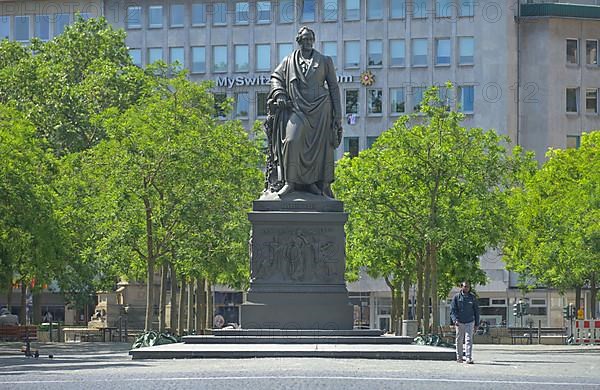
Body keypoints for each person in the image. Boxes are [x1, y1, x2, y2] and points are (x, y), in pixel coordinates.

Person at [264, 26, 343, 198]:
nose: (307, 42)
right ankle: (290, 183)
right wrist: (280, 94)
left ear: (313, 41)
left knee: (318, 149)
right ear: (298, 41)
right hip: (297, 108)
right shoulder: (288, 61)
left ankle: (313, 184)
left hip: (321, 109)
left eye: (310, 39)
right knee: (291, 141)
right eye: (304, 39)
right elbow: (275, 78)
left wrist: (338, 116)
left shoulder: (325, 60)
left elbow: (334, 88)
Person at [450, 281, 480, 364]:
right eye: (465, 286)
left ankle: (468, 357)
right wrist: (455, 319)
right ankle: (459, 357)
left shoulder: (472, 297)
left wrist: (477, 324)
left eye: (468, 287)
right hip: (459, 322)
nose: (467, 288)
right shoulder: (456, 297)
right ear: (461, 287)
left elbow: (476, 311)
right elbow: (453, 310)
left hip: (470, 321)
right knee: (459, 339)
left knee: (469, 339)